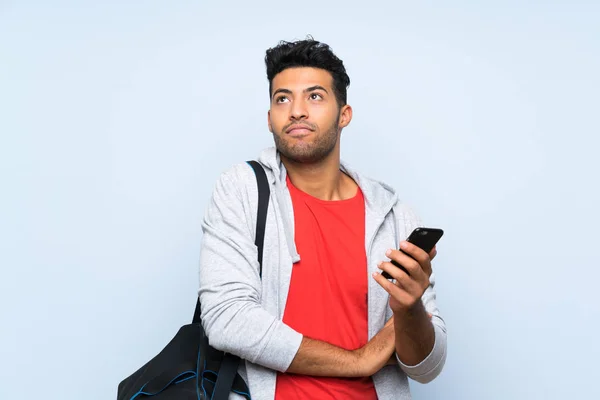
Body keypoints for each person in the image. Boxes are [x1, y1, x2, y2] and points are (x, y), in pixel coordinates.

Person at [198, 37, 447, 400]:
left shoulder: (393, 217)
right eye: (282, 98)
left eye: (314, 96)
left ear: (344, 114)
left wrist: (409, 310)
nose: (296, 110)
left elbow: (428, 367)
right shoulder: (242, 191)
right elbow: (227, 320)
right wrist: (358, 360)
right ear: (270, 118)